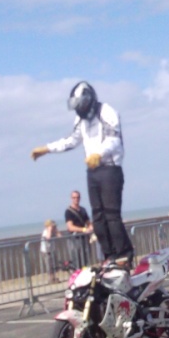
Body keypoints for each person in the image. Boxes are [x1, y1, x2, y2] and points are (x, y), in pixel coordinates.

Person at [31, 81, 133, 266]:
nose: (80, 109)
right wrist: (47, 149)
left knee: (111, 214)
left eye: (81, 105)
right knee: (98, 217)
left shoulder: (106, 111)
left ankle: (124, 255)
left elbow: (114, 139)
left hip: (109, 168)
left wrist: (98, 154)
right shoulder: (81, 120)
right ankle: (108, 256)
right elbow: (72, 140)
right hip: (92, 171)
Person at [64, 190, 93, 268]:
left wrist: (91, 228)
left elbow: (88, 222)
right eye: (74, 197)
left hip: (85, 238)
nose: (76, 199)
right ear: (71, 198)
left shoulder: (83, 210)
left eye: (77, 197)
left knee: (86, 257)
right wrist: (83, 230)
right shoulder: (68, 211)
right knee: (77, 258)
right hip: (75, 238)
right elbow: (70, 227)